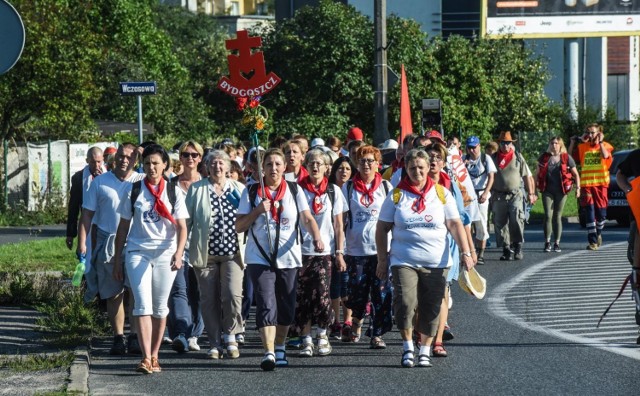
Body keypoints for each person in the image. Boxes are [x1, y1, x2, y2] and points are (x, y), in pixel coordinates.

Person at [375, 148, 474, 368]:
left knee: (431, 307)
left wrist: (467, 252)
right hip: (403, 260)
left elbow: (455, 225)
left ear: (429, 168)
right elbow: (381, 228)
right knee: (406, 303)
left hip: (436, 262)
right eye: (412, 168)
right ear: (406, 169)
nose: (417, 171)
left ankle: (425, 349)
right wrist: (383, 259)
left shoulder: (441, 193)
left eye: (421, 167)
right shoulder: (397, 194)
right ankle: (408, 346)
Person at [236, 148, 324, 371]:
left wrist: (316, 237)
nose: (273, 168)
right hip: (259, 257)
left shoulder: (294, 190)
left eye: (277, 164)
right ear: (262, 169)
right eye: (269, 164)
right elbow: (239, 226)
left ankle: (280, 345)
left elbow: (306, 218)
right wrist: (257, 210)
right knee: (266, 303)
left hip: (289, 257)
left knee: (286, 306)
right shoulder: (251, 191)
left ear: (285, 167)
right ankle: (268, 352)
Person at [114, 144, 189, 374]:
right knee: (142, 303)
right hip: (138, 252)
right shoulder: (134, 189)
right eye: (147, 163)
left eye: (156, 163)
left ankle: (155, 355)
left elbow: (182, 227)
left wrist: (178, 253)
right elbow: (123, 227)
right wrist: (118, 259)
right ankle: (146, 358)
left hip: (166, 253)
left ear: (165, 164)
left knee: (159, 307)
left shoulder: (174, 191)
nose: (151, 167)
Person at [77, 144, 142, 355]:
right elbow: (86, 215)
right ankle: (118, 337)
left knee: (134, 292)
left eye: (130, 158)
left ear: (136, 161)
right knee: (114, 293)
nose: (125, 161)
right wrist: (82, 243)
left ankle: (135, 336)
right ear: (113, 159)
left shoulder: (141, 182)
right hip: (108, 243)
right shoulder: (100, 183)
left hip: (134, 242)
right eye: (121, 156)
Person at [185, 149, 246, 359]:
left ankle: (231, 336)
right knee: (208, 299)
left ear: (228, 167)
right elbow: (186, 222)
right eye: (213, 163)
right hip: (205, 254)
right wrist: (181, 249)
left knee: (232, 295)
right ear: (207, 167)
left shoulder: (239, 188)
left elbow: (247, 219)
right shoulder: (196, 189)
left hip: (233, 254)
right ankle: (214, 343)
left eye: (221, 163)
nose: (217, 167)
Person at [295, 149, 347, 357]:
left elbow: (338, 225)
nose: (315, 167)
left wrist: (339, 252)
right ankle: (306, 338)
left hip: (325, 251)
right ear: (305, 167)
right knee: (303, 296)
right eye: (311, 164)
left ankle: (322, 334)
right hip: (301, 251)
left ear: (327, 167)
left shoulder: (333, 191)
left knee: (323, 295)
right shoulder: (298, 190)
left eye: (319, 163)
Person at [341, 145, 393, 348]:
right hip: (355, 250)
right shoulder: (348, 187)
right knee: (357, 293)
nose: (366, 164)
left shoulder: (386, 187)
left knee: (381, 293)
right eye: (362, 161)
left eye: (370, 161)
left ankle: (377, 334)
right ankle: (357, 320)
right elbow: (342, 219)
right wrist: (340, 248)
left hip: (380, 251)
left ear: (377, 164)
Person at [166, 141, 205, 353]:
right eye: (186, 154)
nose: (190, 158)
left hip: (202, 246)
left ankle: (195, 334)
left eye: (194, 155)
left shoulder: (207, 185)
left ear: (200, 158)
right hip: (176, 245)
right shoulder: (170, 186)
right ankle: (181, 332)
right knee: (179, 290)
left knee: (199, 292)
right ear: (180, 158)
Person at [490, 131, 535, 261]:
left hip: (515, 194)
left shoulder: (518, 157)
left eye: (508, 143)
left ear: (511, 144)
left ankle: (518, 246)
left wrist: (530, 193)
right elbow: (488, 176)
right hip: (498, 195)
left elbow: (526, 176)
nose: (505, 145)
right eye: (503, 143)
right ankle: (506, 249)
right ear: (499, 144)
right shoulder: (493, 158)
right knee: (500, 223)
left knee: (516, 220)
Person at [568, 123, 614, 250]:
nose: (590, 135)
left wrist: (601, 142)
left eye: (593, 132)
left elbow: (605, 156)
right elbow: (569, 158)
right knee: (589, 212)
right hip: (587, 185)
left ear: (599, 133)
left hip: (601, 185)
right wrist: (573, 142)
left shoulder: (605, 146)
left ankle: (598, 233)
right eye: (588, 132)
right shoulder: (583, 147)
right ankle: (592, 241)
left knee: (601, 215)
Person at [326, 156, 356, 339]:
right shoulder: (329, 190)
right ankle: (335, 321)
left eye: (347, 168)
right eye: (340, 168)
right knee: (334, 285)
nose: (343, 171)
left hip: (351, 244)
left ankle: (349, 321)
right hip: (331, 243)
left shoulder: (354, 189)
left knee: (348, 285)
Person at [536, 136, 580, 253]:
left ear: (560, 145)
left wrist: (578, 188)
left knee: (557, 216)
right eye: (552, 143)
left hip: (561, 191)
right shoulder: (544, 157)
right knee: (548, 215)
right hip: (547, 190)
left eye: (556, 143)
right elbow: (537, 173)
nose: (554, 145)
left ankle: (557, 242)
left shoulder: (566, 158)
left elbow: (576, 174)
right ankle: (547, 241)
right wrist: (534, 190)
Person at [615, 148, 640, 343]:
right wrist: (628, 189)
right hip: (637, 220)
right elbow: (620, 174)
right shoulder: (636, 155)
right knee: (637, 269)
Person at [463, 136, 496, 264]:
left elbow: (491, 177)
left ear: (479, 146)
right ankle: (470, 251)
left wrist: (486, 192)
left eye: (474, 147)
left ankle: (481, 253)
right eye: (470, 148)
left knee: (481, 223)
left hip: (481, 192)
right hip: (468, 195)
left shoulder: (485, 158)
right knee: (467, 224)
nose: (472, 150)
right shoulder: (463, 159)